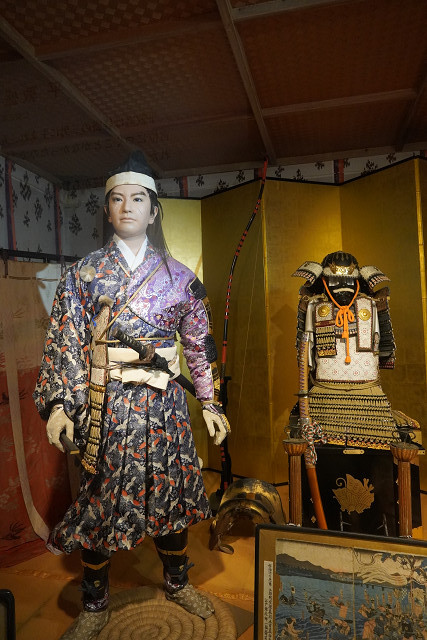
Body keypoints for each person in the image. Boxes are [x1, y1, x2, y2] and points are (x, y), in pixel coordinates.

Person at [33, 151, 230, 638]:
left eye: (138, 199)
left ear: (154, 210)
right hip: (108, 405)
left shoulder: (180, 278)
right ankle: (95, 602)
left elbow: (199, 346)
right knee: (100, 499)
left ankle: (178, 581)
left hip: (164, 407)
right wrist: (59, 406)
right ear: (107, 208)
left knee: (171, 492)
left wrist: (209, 401)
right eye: (117, 199)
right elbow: (66, 344)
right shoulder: (83, 275)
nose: (127, 208)